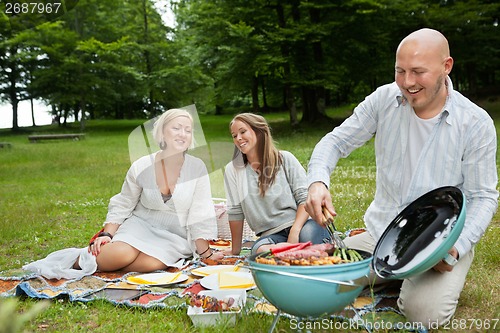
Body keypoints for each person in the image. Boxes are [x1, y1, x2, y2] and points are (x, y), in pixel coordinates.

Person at [305, 28, 498, 328]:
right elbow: (335, 142)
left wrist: (456, 249)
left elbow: (484, 196)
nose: (407, 82)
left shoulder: (475, 123)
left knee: (424, 315)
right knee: (317, 288)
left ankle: (404, 279)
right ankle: (388, 274)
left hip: (438, 242)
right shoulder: (384, 99)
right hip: (381, 232)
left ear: (446, 66)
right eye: (400, 71)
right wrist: (318, 182)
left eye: (418, 72)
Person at [25, 109, 223, 279]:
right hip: (141, 224)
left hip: (175, 234)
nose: (183, 134)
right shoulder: (142, 165)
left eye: (188, 130)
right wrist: (107, 233)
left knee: (151, 265)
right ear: (162, 133)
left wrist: (205, 253)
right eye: (177, 128)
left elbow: (200, 211)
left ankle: (100, 265)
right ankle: (78, 261)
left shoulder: (197, 167)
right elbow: (124, 202)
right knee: (121, 254)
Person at [223, 113, 329, 256]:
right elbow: (236, 212)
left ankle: (291, 254)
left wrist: (294, 231)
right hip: (271, 236)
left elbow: (305, 198)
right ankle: (301, 254)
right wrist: (235, 250)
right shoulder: (233, 170)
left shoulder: (285, 159)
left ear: (259, 132)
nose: (238, 138)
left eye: (242, 132)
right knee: (259, 250)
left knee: (308, 236)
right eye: (234, 135)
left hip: (302, 224)